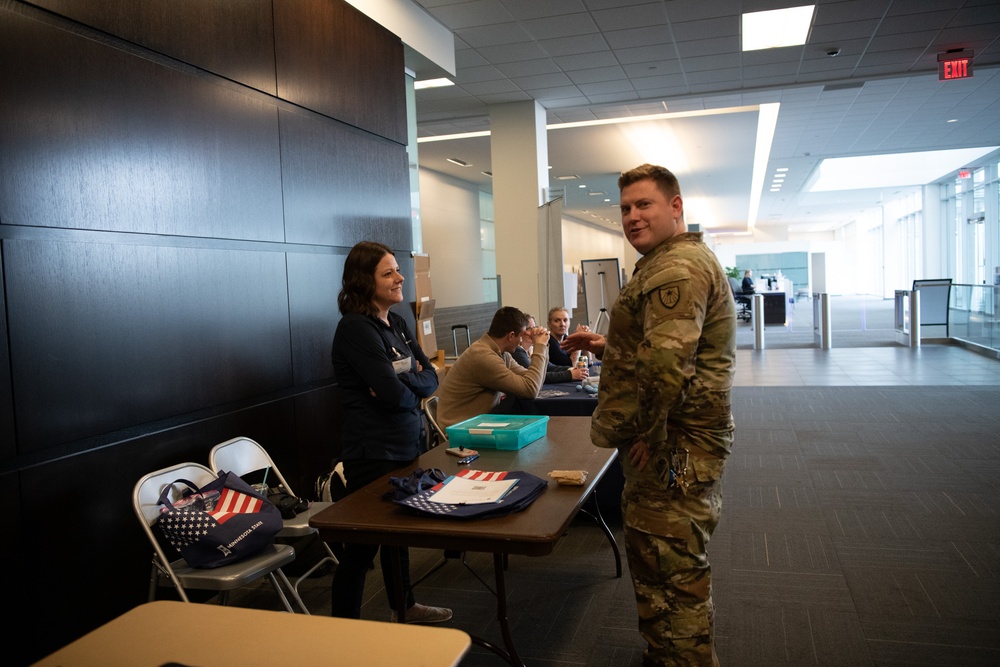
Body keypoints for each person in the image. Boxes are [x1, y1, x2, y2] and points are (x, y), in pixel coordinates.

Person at [561, 164, 736, 666]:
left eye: (645, 205)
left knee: (672, 571)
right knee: (662, 563)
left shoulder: (674, 268)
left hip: (673, 448)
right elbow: (663, 344)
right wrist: (606, 343)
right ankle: (666, 654)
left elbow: (665, 366)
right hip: (682, 443)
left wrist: (651, 434)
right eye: (625, 209)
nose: (633, 217)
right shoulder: (670, 261)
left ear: (675, 206)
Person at [329, 240, 452, 624]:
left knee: (398, 535)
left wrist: (410, 384)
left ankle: (405, 605)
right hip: (372, 451)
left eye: (397, 269)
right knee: (362, 547)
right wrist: (406, 385)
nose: (400, 277)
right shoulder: (355, 329)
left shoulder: (396, 323)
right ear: (365, 281)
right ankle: (343, 626)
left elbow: (431, 377)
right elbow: (391, 393)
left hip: (405, 443)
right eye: (389, 273)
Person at [435, 306, 549, 428]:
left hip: (476, 425)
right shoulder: (483, 356)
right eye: (520, 336)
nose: (521, 341)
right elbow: (530, 390)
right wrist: (540, 346)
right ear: (511, 336)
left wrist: (543, 346)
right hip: (459, 431)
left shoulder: (501, 353)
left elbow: (535, 383)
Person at [511, 314, 588, 384]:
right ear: (520, 332)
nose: (534, 331)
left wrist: (571, 369)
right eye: (529, 329)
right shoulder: (517, 351)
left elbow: (549, 367)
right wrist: (570, 374)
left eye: (534, 327)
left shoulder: (531, 348)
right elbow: (536, 377)